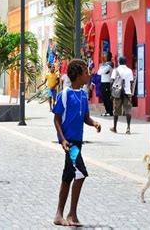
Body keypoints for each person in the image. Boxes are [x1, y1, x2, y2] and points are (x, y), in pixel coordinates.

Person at [52, 59, 101, 227]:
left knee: (68, 176)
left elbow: (85, 117)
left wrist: (93, 123)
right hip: (69, 143)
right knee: (81, 172)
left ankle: (59, 215)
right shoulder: (64, 94)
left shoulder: (83, 95)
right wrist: (63, 139)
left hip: (78, 142)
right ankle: (72, 214)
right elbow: (57, 119)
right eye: (86, 72)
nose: (89, 74)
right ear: (78, 75)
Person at [110, 56, 133, 134]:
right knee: (128, 110)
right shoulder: (129, 71)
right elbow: (131, 82)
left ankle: (115, 127)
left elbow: (112, 81)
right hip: (127, 92)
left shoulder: (115, 70)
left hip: (117, 92)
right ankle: (128, 127)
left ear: (119, 62)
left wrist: (111, 93)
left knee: (116, 110)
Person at [98, 52, 114, 116]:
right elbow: (99, 72)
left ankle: (110, 112)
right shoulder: (104, 64)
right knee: (104, 98)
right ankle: (107, 111)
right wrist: (101, 70)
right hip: (103, 82)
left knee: (107, 98)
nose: (104, 57)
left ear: (108, 56)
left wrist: (101, 70)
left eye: (105, 55)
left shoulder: (110, 64)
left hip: (107, 82)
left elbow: (103, 71)